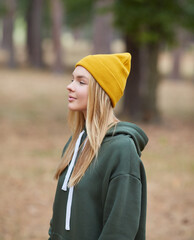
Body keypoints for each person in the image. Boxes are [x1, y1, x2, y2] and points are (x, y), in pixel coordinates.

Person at [48, 53, 148, 240]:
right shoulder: (75, 143)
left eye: (81, 82)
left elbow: (120, 230)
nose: (69, 86)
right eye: (72, 79)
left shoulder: (122, 149)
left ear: (101, 90)